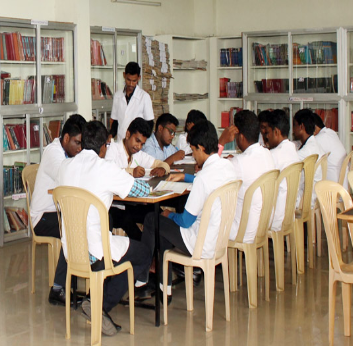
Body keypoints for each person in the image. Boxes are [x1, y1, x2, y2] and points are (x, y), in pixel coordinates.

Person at [57, 121, 154, 336]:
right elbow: (140, 190)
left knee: (120, 246)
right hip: (96, 250)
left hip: (71, 250)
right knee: (142, 253)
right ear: (104, 145)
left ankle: (96, 301)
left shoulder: (65, 166)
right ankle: (98, 304)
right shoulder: (105, 168)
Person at [142, 120, 237, 302]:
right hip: (219, 239)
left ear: (201, 148)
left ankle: (146, 279)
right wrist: (186, 177)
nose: (193, 156)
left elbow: (185, 221)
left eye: (193, 151)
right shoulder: (227, 167)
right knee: (163, 229)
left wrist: (169, 214)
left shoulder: (203, 179)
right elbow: (209, 181)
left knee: (153, 219)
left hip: (199, 242)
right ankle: (164, 288)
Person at [29, 114, 86, 306]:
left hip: (59, 212)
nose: (79, 149)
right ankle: (57, 289)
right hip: (43, 217)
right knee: (72, 230)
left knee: (85, 223)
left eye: (82, 145)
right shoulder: (54, 153)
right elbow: (68, 178)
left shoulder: (69, 152)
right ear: (66, 138)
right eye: (77, 143)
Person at [221, 110, 275, 243]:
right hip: (263, 225)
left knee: (206, 212)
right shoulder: (268, 154)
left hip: (242, 231)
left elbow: (211, 174)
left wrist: (221, 142)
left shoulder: (238, 163)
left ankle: (213, 261)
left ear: (240, 136)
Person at [264, 109, 300, 231]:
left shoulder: (273, 155)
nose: (266, 136)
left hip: (275, 218)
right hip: (289, 212)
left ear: (276, 132)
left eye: (268, 132)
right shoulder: (293, 149)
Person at [105, 118, 170, 178]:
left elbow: (162, 164)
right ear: (128, 135)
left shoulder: (138, 154)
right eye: (137, 141)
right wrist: (132, 172)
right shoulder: (112, 149)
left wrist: (162, 169)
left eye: (142, 144)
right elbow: (107, 172)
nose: (139, 147)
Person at [110, 62, 154, 142]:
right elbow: (115, 121)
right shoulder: (117, 96)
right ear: (124, 75)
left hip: (137, 144)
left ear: (139, 78)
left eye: (134, 81)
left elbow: (149, 123)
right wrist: (110, 136)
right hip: (121, 142)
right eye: (128, 80)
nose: (130, 84)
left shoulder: (144, 97)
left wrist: (141, 141)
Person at [293, 109, 325, 207]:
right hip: (315, 194)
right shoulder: (315, 145)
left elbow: (289, 163)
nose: (293, 130)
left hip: (306, 199)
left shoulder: (306, 151)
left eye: (294, 125)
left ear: (301, 126)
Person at [312, 112, 347, 188]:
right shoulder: (331, 133)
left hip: (332, 189)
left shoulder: (320, 138)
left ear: (314, 128)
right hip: (342, 186)